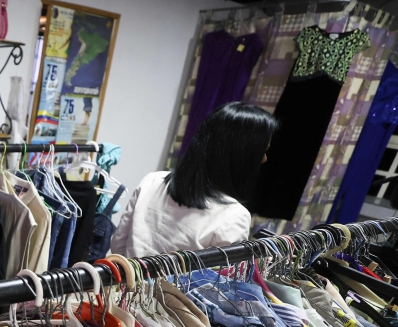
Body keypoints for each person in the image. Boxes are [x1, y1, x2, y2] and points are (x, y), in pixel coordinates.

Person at [111, 102, 278, 257]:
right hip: (173, 290)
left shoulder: (153, 180)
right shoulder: (234, 216)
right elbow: (216, 284)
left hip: (126, 285)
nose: (264, 158)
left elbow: (118, 245)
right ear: (242, 156)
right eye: (262, 151)